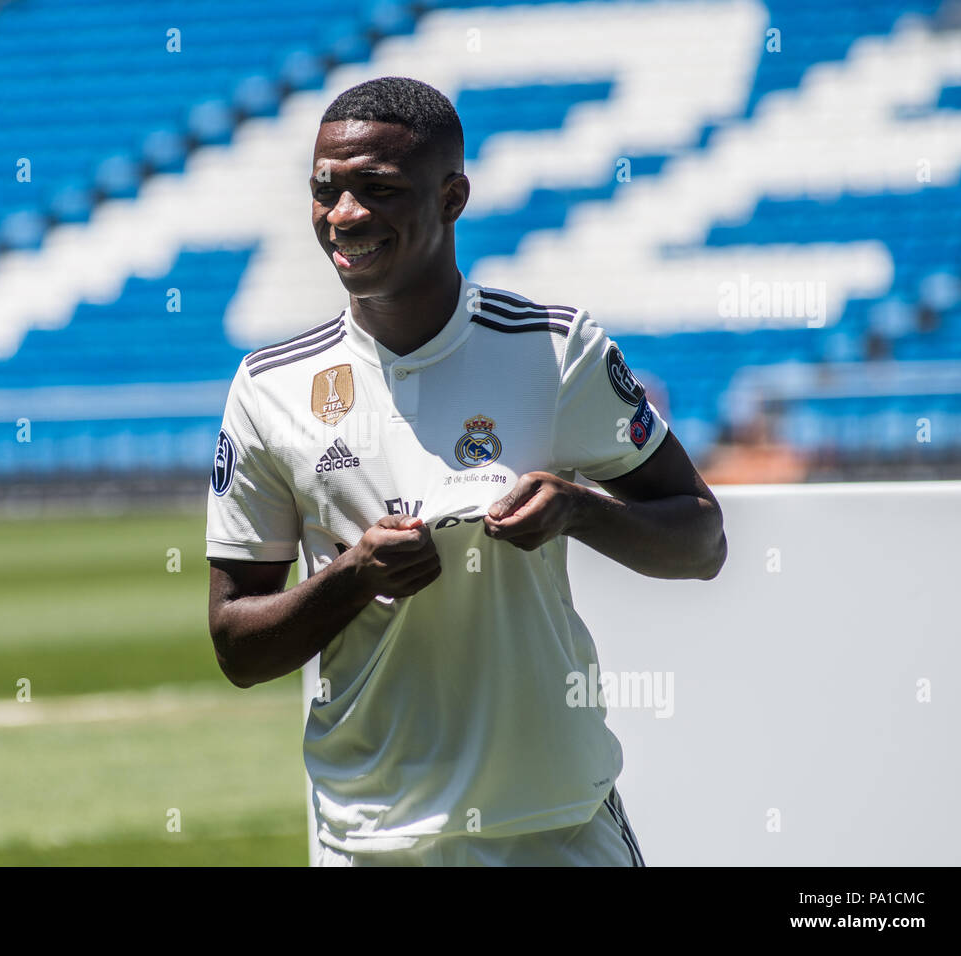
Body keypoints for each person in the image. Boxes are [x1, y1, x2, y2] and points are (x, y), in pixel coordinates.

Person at [205, 76, 727, 866]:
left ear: (453, 198)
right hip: (372, 838)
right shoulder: (270, 387)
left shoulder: (554, 350)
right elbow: (237, 645)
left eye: (376, 189)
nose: (343, 216)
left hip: (555, 823)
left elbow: (702, 540)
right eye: (325, 190)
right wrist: (354, 575)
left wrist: (580, 509)